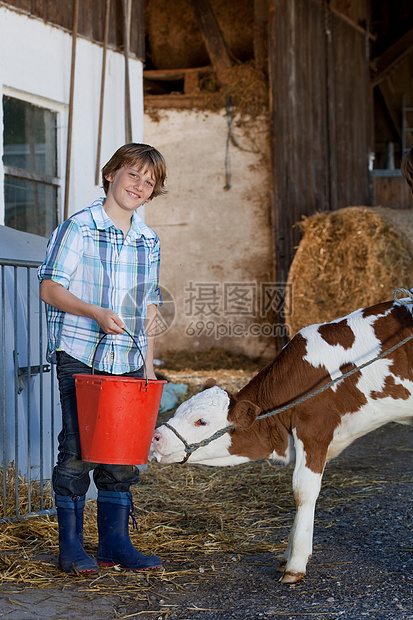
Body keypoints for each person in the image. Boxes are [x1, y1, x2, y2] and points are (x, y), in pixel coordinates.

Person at [38, 143, 167, 574]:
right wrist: (94, 312)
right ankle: (72, 548)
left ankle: (115, 545)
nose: (140, 186)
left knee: (121, 454)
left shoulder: (149, 241)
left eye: (149, 182)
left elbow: (148, 308)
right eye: (133, 175)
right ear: (110, 174)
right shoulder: (79, 228)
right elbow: (50, 288)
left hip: (128, 357)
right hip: (80, 352)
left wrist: (148, 365)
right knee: (78, 450)